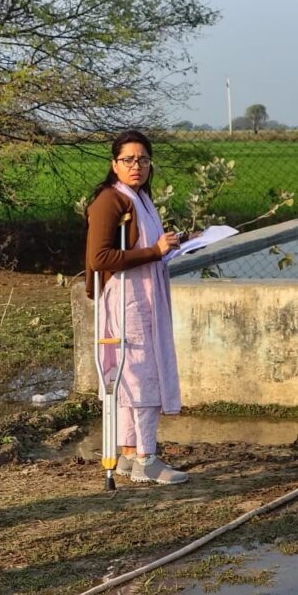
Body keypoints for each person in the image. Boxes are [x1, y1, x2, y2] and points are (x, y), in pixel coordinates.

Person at [85, 130, 189, 485]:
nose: (137, 166)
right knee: (140, 371)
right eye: (128, 160)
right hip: (127, 296)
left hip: (144, 291)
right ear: (114, 164)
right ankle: (147, 458)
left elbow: (144, 245)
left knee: (135, 370)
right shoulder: (110, 201)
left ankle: (129, 453)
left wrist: (169, 247)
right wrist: (154, 252)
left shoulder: (139, 198)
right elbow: (99, 258)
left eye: (143, 160)